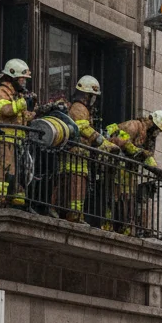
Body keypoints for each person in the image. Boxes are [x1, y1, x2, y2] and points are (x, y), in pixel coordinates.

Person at [52, 75, 118, 222]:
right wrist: (104, 143)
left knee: (73, 184)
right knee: (76, 184)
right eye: (93, 96)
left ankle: (73, 212)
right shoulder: (79, 108)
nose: (94, 100)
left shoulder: (82, 109)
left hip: (79, 155)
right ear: (87, 95)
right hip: (75, 154)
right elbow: (83, 128)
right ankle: (73, 213)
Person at [104, 110, 162, 233]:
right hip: (116, 166)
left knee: (128, 199)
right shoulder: (134, 125)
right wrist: (139, 152)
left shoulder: (148, 138)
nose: (156, 133)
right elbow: (121, 142)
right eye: (157, 129)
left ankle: (126, 227)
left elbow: (148, 157)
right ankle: (107, 224)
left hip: (129, 170)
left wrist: (157, 171)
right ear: (152, 122)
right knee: (114, 196)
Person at [0, 58, 35, 205]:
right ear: (12, 77)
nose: (24, 82)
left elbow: (22, 117)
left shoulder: (16, 95)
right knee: (4, 172)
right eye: (22, 79)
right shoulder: (0, 92)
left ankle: (15, 201)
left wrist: (35, 111)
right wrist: (22, 103)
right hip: (3, 140)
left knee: (17, 174)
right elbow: (6, 110)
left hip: (16, 142)